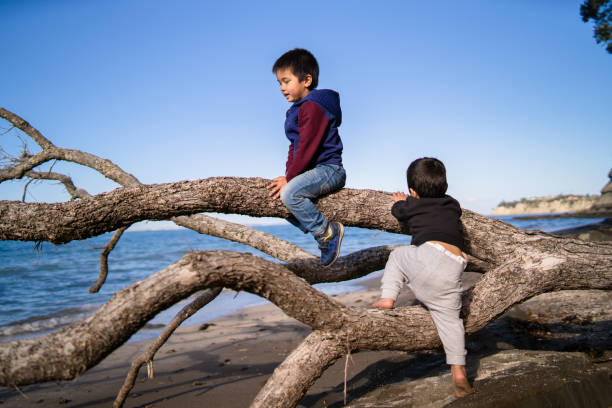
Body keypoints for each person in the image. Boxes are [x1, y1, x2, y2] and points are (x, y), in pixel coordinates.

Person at [373, 157, 475, 398]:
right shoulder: (452, 204)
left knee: (398, 256)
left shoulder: (411, 204)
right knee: (451, 323)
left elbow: (397, 211)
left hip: (428, 256)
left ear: (412, 191)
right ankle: (459, 371)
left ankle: (388, 298)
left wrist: (402, 202)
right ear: (446, 187)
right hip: (454, 267)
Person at [267, 48, 346, 266]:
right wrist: (287, 175)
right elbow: (295, 147)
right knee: (279, 197)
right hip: (313, 171)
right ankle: (312, 225)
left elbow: (308, 147)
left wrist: (291, 179)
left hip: (329, 169)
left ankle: (326, 232)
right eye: (279, 83)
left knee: (290, 193)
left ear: (307, 80)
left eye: (286, 81)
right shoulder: (295, 111)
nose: (282, 88)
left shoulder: (313, 107)